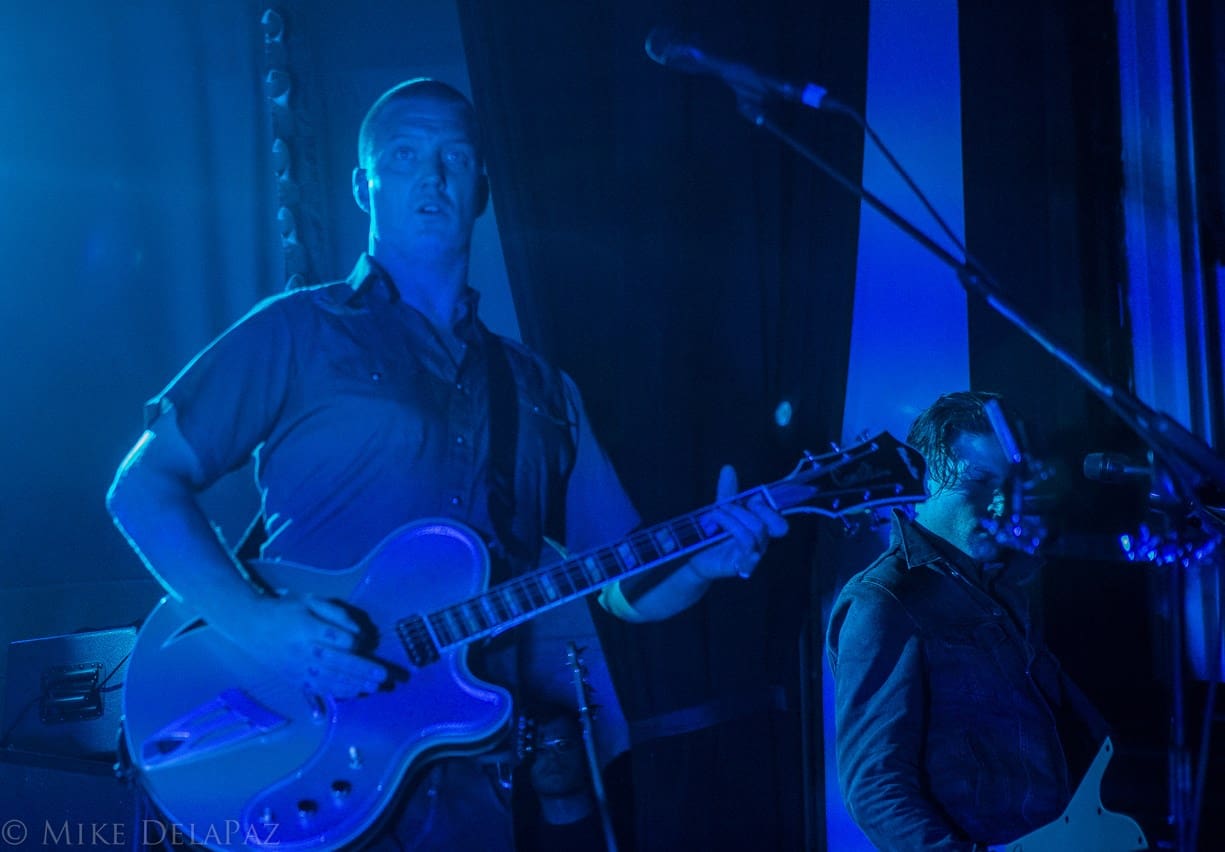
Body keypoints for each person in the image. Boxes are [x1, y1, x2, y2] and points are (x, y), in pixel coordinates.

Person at [106, 78, 787, 850]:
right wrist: (258, 626)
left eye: (453, 158)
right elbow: (141, 487)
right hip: (295, 736)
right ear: (363, 186)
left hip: (468, 779)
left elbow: (622, 582)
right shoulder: (296, 331)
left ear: (481, 190)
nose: (431, 177)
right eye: (404, 156)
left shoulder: (542, 389)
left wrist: (703, 562)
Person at [826, 391, 1106, 851]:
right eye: (979, 482)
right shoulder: (883, 599)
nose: (999, 504)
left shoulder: (1008, 579)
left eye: (1009, 485)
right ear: (925, 477)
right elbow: (875, 787)